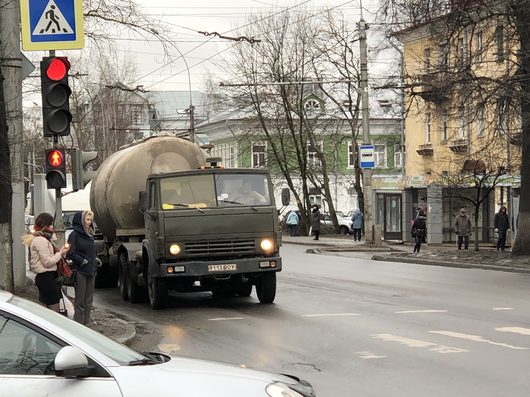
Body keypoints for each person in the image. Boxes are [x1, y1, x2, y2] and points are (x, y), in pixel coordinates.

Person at [22, 212, 69, 313]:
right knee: (54, 312)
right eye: (51, 224)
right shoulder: (41, 240)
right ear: (45, 225)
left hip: (47, 278)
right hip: (46, 279)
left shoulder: (44, 238)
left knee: (48, 310)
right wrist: (60, 253)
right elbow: (47, 262)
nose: (52, 227)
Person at [67, 210, 97, 325]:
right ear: (81, 221)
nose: (89, 222)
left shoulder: (90, 234)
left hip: (91, 271)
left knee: (88, 301)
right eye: (87, 220)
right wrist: (82, 261)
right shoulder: (74, 235)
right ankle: (79, 325)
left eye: (90, 220)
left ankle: (87, 323)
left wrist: (95, 260)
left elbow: (91, 251)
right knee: (80, 301)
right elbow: (70, 252)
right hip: (80, 271)